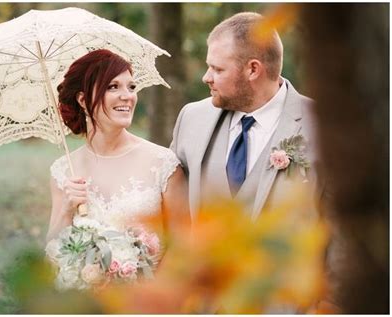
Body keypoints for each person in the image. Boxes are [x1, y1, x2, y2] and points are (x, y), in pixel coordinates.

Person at [170, 12, 321, 220]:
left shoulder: (321, 126)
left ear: (253, 69)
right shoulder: (191, 119)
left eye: (217, 69)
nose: (207, 77)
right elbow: (172, 213)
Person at [46, 49, 190, 243]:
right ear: (82, 100)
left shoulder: (162, 163)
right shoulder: (64, 170)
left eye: (131, 87)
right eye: (113, 87)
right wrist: (66, 211)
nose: (127, 96)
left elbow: (183, 247)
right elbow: (52, 254)